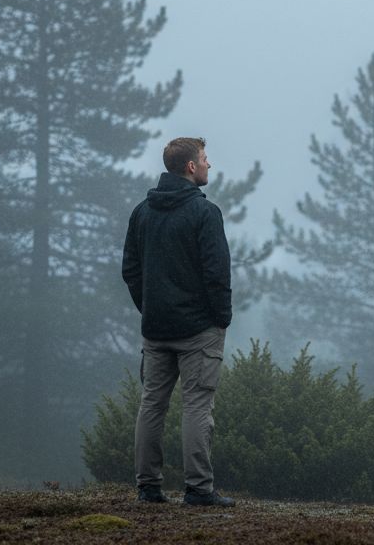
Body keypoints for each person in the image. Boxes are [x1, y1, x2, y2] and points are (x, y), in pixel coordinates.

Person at [122, 136, 234, 507]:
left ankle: (148, 488)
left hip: (156, 329)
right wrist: (220, 319)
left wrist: (150, 308)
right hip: (198, 331)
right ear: (190, 166)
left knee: (151, 405)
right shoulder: (205, 213)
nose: (208, 164)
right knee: (197, 407)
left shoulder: (142, 211)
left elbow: (131, 271)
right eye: (204, 158)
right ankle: (199, 490)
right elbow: (216, 273)